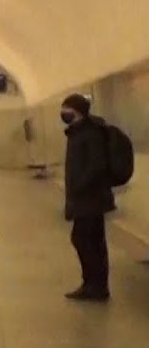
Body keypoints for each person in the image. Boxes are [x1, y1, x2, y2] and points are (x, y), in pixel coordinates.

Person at [60, 94, 115, 301]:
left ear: (77, 111)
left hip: (90, 198)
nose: (63, 113)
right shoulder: (80, 132)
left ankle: (94, 285)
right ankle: (95, 285)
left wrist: (79, 187)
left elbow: (96, 166)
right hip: (89, 198)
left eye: (66, 108)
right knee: (92, 241)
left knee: (84, 239)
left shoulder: (89, 133)